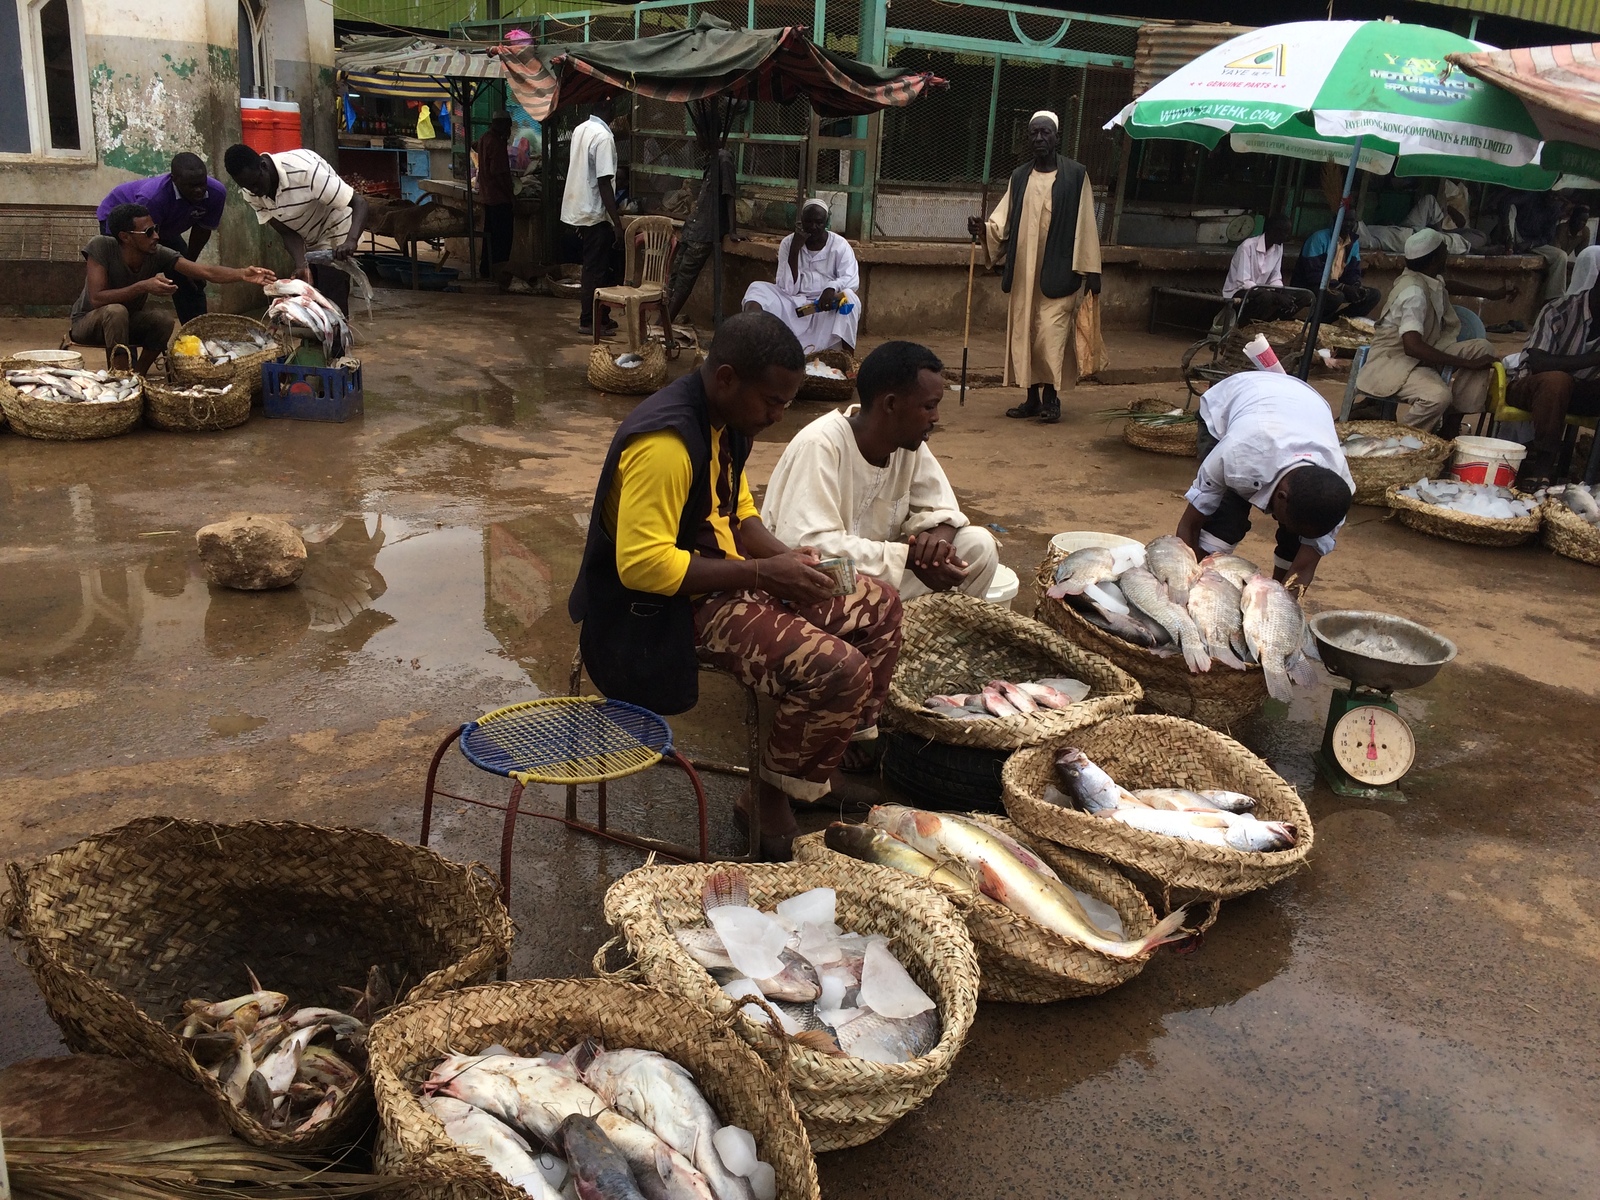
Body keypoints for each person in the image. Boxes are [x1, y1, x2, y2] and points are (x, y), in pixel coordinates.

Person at [569, 312, 903, 861]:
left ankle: (817, 770)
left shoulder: (727, 423)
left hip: (726, 581)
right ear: (726, 378)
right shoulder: (666, 442)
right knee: (836, 668)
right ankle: (767, 799)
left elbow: (740, 516)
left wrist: (789, 561)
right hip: (664, 609)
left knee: (879, 606)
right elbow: (643, 567)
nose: (779, 415)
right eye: (772, 401)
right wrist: (761, 575)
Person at [761, 340, 1000, 602]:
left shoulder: (909, 445)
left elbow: (942, 511)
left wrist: (935, 550)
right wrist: (904, 558)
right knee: (827, 575)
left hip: (880, 581)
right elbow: (811, 548)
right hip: (821, 589)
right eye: (929, 406)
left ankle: (917, 632)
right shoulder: (821, 444)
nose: (936, 418)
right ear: (890, 405)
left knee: (978, 545)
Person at [968, 110, 1102, 425]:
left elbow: (1086, 224)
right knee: (1026, 332)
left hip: (1060, 270)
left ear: (1057, 137)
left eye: (1045, 133)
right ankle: (1030, 398)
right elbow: (1004, 222)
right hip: (1025, 272)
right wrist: (983, 230)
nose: (1039, 139)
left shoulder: (1075, 175)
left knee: (1050, 335)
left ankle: (1051, 399)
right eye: (1034, 134)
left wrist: (1091, 270)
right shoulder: (1020, 177)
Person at [1175, 371, 1354, 591]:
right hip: (1232, 400)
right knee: (1224, 523)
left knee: (1294, 542)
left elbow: (1305, 566)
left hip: (1304, 402)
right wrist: (1190, 585)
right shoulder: (1236, 457)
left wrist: (1278, 604)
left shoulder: (1335, 495)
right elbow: (1190, 525)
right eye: (1284, 520)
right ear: (1281, 497)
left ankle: (1273, 589)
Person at [70, 203, 274, 375]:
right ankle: (119, 378)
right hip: (88, 324)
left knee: (163, 320)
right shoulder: (101, 246)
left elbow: (204, 271)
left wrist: (242, 274)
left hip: (127, 322)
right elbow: (97, 298)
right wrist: (143, 286)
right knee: (116, 311)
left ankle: (138, 376)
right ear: (125, 237)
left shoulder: (156, 254)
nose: (156, 236)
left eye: (155, 229)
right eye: (148, 232)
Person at [1354, 229, 1513, 437]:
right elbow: (1412, 347)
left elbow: (1447, 286)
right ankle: (1400, 441)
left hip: (1428, 347)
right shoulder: (1414, 294)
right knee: (1437, 397)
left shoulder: (1427, 278)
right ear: (1435, 259)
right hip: (1395, 360)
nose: (1448, 255)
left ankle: (1451, 424)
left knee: (1481, 348)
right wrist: (1465, 363)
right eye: (1445, 251)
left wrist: (1492, 294)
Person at [222, 144, 368, 319]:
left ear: (263, 166)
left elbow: (360, 203)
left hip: (337, 228)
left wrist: (351, 241)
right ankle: (321, 340)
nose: (255, 191)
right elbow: (287, 232)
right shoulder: (251, 191)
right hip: (310, 236)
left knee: (332, 294)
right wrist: (301, 265)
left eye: (255, 184)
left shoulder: (305, 170)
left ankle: (337, 343)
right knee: (311, 296)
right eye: (247, 187)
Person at [1503, 246, 1600, 487]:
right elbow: (1538, 362)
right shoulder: (1559, 310)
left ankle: (1593, 474)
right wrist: (1595, 358)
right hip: (1531, 386)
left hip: (1579, 392)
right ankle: (1543, 465)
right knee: (1556, 380)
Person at [95, 152, 226, 324]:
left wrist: (189, 266)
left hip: (164, 227)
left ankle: (198, 334)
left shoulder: (216, 193)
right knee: (125, 278)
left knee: (191, 280)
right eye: (191, 186)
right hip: (126, 225)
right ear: (174, 180)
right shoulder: (153, 198)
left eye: (202, 184)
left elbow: (202, 230)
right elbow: (141, 235)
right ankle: (122, 338)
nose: (199, 190)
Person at [741, 199, 860, 353]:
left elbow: (851, 279)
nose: (813, 227)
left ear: (826, 222)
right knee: (756, 289)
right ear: (801, 221)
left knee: (849, 298)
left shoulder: (840, 245)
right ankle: (751, 346)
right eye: (808, 222)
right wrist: (794, 250)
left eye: (819, 222)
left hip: (824, 305)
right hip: (794, 303)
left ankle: (847, 359)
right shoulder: (788, 243)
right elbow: (786, 287)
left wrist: (831, 288)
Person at [562, 106, 623, 335]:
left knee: (596, 267)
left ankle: (601, 317)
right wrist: (616, 222)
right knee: (596, 270)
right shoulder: (604, 137)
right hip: (596, 212)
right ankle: (590, 320)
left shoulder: (581, 129)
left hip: (581, 208)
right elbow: (604, 181)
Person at [664, 146, 737, 335]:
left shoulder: (724, 159)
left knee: (683, 281)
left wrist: (732, 230)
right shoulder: (711, 156)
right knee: (674, 276)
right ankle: (662, 321)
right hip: (693, 227)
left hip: (705, 230)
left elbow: (729, 196)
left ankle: (663, 324)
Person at [1290, 225, 1380, 320]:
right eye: (1345, 220)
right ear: (1336, 220)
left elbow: (1353, 271)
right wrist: (1342, 287)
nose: (1348, 224)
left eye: (1351, 221)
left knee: (1373, 295)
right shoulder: (1318, 238)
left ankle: (1336, 321)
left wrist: (1355, 286)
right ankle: (1316, 323)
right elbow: (1313, 275)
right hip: (1311, 285)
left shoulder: (1353, 242)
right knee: (1336, 297)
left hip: (1337, 286)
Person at [1223, 215, 1302, 321]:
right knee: (1267, 297)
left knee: (1303, 296)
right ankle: (1245, 323)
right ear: (1273, 231)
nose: (1288, 236)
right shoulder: (1247, 246)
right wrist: (1275, 295)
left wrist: (1282, 291)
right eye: (1285, 232)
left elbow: (1275, 277)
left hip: (1262, 291)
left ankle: (1270, 322)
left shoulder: (1279, 247)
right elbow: (1244, 282)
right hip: (1239, 290)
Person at [1506, 189, 1572, 303]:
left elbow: (1547, 237)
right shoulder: (1531, 196)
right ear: (1547, 191)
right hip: (1515, 233)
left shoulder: (1554, 209)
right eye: (1553, 194)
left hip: (1532, 242)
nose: (1554, 198)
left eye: (1558, 197)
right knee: (1511, 208)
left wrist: (1530, 244)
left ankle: (1553, 299)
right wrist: (1508, 235)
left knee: (1561, 256)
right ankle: (1509, 246)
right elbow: (1505, 202)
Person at [476, 110, 515, 280]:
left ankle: (486, 269)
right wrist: (511, 195)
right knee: (502, 239)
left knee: (489, 237)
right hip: (499, 199)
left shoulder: (484, 138)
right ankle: (499, 271)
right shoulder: (496, 143)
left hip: (488, 197)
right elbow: (498, 173)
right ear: (502, 125)